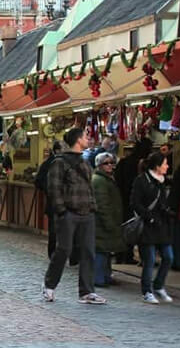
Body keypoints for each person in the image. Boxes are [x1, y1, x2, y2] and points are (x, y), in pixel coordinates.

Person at [42, 128, 106, 305]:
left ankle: (86, 291)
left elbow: (89, 187)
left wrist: (93, 207)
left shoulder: (85, 162)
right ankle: (49, 285)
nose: (88, 139)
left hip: (87, 213)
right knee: (64, 250)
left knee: (88, 252)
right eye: (85, 137)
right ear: (78, 140)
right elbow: (53, 188)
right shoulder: (59, 162)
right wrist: (62, 210)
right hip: (69, 213)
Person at [131, 152, 175, 304]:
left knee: (168, 257)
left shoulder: (164, 181)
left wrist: (168, 212)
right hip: (148, 226)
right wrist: (148, 216)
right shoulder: (141, 181)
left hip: (162, 225)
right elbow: (135, 203)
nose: (167, 166)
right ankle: (147, 291)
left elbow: (163, 202)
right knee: (149, 260)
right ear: (157, 166)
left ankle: (158, 285)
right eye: (165, 164)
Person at [115, 138, 153, 264]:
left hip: (122, 199)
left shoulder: (124, 162)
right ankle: (130, 255)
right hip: (135, 201)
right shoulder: (142, 164)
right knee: (136, 229)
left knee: (126, 228)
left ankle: (121, 255)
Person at [91, 152, 125, 287]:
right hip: (101, 222)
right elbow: (102, 204)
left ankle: (105, 276)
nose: (110, 165)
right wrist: (109, 223)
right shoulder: (99, 181)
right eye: (106, 163)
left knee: (105, 251)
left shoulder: (106, 179)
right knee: (101, 251)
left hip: (106, 221)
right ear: (99, 165)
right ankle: (99, 278)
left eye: (112, 162)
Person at [36, 141, 65, 257]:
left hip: (64, 203)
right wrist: (49, 189)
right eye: (64, 148)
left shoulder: (67, 162)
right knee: (53, 230)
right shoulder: (49, 163)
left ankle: (59, 253)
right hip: (54, 203)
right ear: (57, 151)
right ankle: (53, 253)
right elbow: (38, 181)